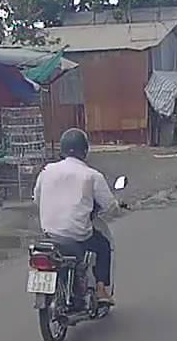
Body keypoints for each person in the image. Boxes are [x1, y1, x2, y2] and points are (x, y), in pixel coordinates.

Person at [33, 128, 118, 304]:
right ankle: (101, 290)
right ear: (85, 150)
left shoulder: (46, 171)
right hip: (77, 235)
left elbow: (37, 199)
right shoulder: (92, 175)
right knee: (103, 246)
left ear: (62, 149)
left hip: (50, 234)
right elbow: (110, 206)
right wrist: (116, 208)